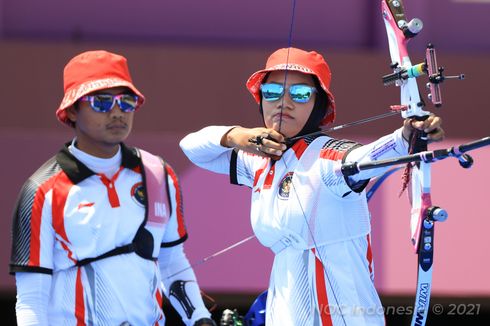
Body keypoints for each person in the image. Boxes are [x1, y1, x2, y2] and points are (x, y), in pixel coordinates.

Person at [179, 47, 444, 325]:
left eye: (301, 94)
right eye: (271, 92)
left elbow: (367, 157)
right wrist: (238, 136)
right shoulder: (258, 162)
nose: (284, 102)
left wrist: (407, 136)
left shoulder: (328, 157)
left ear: (319, 105)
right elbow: (191, 147)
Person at [10, 50, 216, 326]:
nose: (117, 112)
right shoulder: (41, 191)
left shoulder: (158, 174)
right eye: (102, 102)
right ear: (72, 109)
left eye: (126, 101)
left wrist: (200, 319)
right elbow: (31, 299)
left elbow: (171, 263)